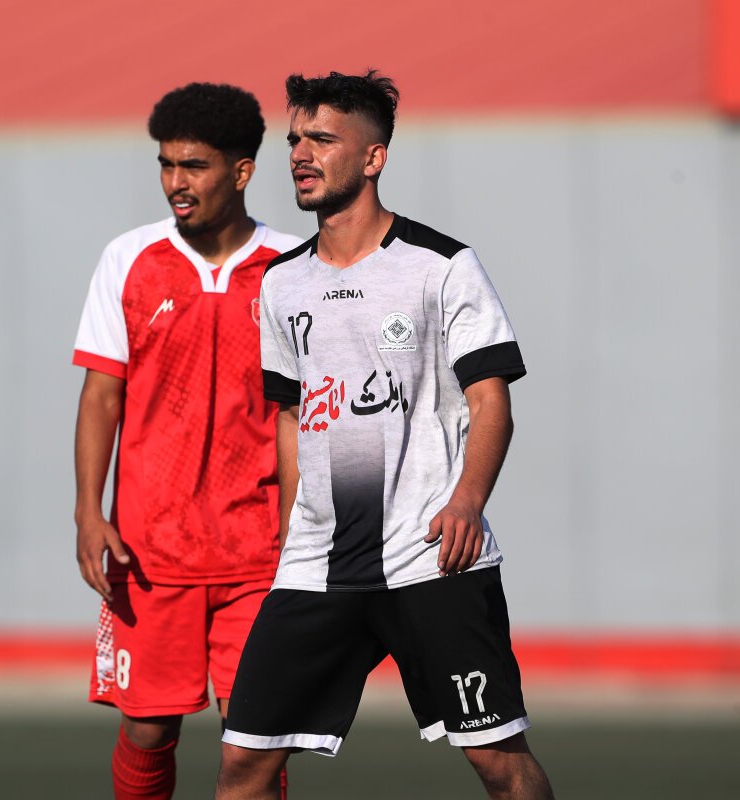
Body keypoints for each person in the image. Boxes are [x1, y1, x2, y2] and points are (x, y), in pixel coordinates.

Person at [216, 71, 556, 800]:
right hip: (318, 565)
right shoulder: (280, 283)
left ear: (373, 158)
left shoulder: (443, 266)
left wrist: (467, 502)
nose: (300, 154)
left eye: (322, 139)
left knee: (499, 762)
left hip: (430, 558)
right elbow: (290, 414)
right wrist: (291, 532)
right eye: (295, 139)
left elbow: (491, 402)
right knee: (244, 763)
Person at [72, 82, 301, 800]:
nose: (176, 182)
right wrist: (88, 512)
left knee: (254, 741)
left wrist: (301, 529)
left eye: (194, 166)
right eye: (167, 165)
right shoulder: (129, 259)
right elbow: (101, 395)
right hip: (150, 550)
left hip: (259, 552)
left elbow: (301, 415)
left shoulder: (292, 269)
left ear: (242, 170)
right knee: (147, 731)